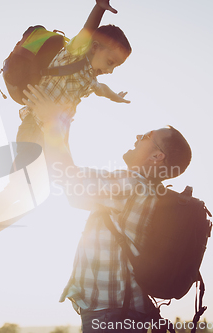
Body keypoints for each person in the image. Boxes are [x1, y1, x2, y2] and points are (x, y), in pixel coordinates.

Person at [0, 0, 132, 275]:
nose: (110, 69)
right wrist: (99, 8)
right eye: (110, 61)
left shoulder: (87, 76)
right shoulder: (74, 54)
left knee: (33, 197)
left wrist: (114, 97)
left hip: (53, 135)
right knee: (18, 190)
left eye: (115, 67)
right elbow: (87, 31)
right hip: (36, 128)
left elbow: (100, 87)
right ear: (94, 47)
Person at [22, 85, 192, 332]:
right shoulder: (143, 191)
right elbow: (74, 191)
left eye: (145, 137)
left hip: (113, 315)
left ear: (157, 156)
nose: (137, 137)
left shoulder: (132, 186)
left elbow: (67, 177)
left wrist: (53, 121)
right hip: (124, 313)